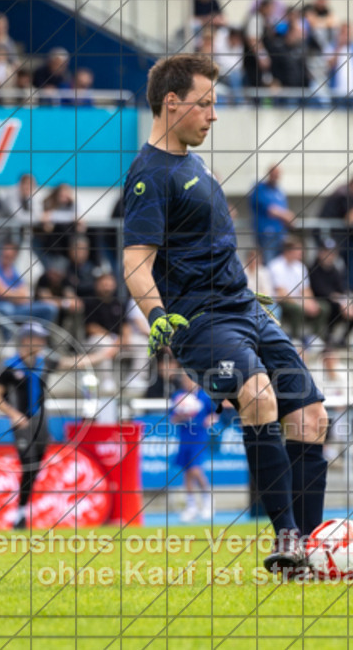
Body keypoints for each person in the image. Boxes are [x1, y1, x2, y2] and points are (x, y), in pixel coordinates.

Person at [121, 54, 329, 575]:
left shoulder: (195, 164)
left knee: (311, 418)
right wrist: (157, 316)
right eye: (206, 103)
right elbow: (134, 264)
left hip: (244, 310)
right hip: (201, 321)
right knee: (258, 395)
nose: (213, 115)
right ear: (173, 102)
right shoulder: (149, 175)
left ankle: (310, 549)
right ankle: (286, 539)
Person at [0, 323, 63, 530]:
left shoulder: (44, 362)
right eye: (37, 339)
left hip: (41, 423)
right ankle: (20, 514)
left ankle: (22, 511)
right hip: (22, 423)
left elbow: (72, 363)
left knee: (36, 466)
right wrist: (14, 415)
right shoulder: (9, 365)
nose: (41, 343)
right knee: (27, 463)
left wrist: (104, 354)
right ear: (25, 340)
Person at [170, 369, 215, 522]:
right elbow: (172, 419)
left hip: (200, 437)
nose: (186, 382)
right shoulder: (178, 397)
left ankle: (208, 502)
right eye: (184, 379)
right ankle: (191, 506)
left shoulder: (204, 396)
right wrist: (182, 415)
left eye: (189, 379)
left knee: (195, 469)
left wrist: (210, 419)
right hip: (184, 438)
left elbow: (215, 413)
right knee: (187, 472)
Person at [0, 242, 57, 323]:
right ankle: (11, 335)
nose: (6, 256)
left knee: (50, 308)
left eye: (9, 256)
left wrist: (11, 294)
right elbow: (2, 293)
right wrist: (17, 295)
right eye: (5, 254)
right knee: (7, 309)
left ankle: (38, 335)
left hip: (18, 307)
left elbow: (25, 295)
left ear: (15, 256)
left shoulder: (14, 271)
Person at [248, 164, 295, 262]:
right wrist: (287, 216)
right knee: (269, 265)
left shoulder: (279, 192)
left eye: (278, 175)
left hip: (280, 236)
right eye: (274, 174)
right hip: (267, 236)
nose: (276, 177)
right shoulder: (260, 189)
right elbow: (271, 210)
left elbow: (284, 210)